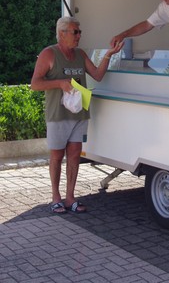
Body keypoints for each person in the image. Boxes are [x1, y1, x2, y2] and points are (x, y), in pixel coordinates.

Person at [31, 16, 123, 214]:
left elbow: (97, 75)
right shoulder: (49, 54)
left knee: (74, 156)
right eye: (75, 32)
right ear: (62, 34)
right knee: (56, 156)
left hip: (80, 115)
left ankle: (70, 197)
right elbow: (35, 84)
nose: (79, 36)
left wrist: (108, 55)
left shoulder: (80, 54)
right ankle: (56, 198)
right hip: (58, 115)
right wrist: (60, 83)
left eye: (79, 32)